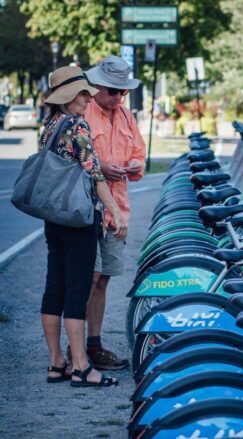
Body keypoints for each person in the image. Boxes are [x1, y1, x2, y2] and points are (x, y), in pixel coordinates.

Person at [40, 66, 126, 387]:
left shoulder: (48, 127)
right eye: (82, 93)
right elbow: (94, 172)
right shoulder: (77, 125)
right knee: (77, 291)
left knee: (54, 289)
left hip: (54, 217)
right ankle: (81, 367)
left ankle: (56, 363)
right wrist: (114, 210)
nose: (87, 98)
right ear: (68, 97)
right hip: (79, 217)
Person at [77, 55, 146, 371]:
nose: (119, 98)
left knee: (102, 279)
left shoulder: (126, 116)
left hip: (118, 211)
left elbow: (140, 156)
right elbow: (72, 158)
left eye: (123, 92)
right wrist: (100, 167)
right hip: (88, 209)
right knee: (86, 279)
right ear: (98, 86)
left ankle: (94, 344)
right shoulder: (84, 112)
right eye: (113, 91)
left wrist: (134, 166)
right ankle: (80, 349)